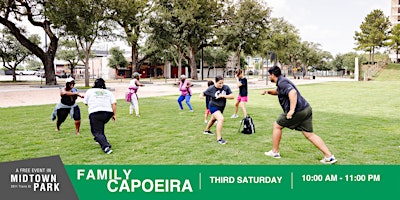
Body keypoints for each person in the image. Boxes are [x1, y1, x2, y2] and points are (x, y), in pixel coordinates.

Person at [261, 66, 337, 164]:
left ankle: (275, 152)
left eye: (269, 75)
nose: (269, 77)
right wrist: (268, 91)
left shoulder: (282, 82)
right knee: (309, 134)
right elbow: (279, 92)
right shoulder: (282, 82)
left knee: (277, 126)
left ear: (272, 74)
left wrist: (291, 110)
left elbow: (292, 93)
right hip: (306, 109)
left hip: (298, 111)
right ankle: (329, 156)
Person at [84, 78, 117, 154]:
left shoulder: (89, 91)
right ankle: (100, 140)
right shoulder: (108, 92)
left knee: (96, 131)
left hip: (96, 112)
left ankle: (106, 147)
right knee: (99, 126)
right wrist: (114, 115)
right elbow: (114, 103)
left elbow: (85, 103)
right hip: (108, 113)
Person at [201, 75, 234, 144]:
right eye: (219, 83)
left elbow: (232, 96)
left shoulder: (226, 87)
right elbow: (203, 93)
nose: (221, 85)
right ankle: (219, 139)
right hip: (213, 106)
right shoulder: (211, 88)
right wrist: (201, 96)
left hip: (221, 108)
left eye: (222, 83)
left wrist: (223, 95)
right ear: (215, 82)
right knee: (221, 119)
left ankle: (206, 130)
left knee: (213, 119)